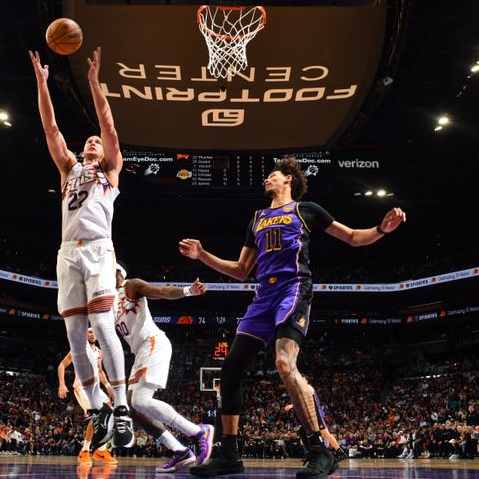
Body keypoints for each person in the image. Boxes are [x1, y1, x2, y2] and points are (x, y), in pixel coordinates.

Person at [179, 156, 406, 478]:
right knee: (230, 370)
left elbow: (354, 237)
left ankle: (320, 450)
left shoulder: (306, 210)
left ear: (288, 180)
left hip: (294, 288)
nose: (266, 180)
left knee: (284, 363)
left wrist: (381, 229)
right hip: (263, 296)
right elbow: (242, 271)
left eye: (272, 175)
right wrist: (203, 255)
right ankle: (228, 454)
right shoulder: (257, 217)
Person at [29, 47, 133, 448]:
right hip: (66, 253)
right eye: (87, 140)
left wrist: (94, 83)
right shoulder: (69, 169)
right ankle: (96, 409)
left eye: (95, 141)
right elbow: (51, 128)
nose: (92, 142)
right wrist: (42, 84)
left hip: (98, 250)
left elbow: (108, 124)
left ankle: (120, 406)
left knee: (103, 326)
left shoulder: (110, 170)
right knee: (75, 335)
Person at [113, 262, 215, 473]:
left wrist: (188, 291)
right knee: (134, 409)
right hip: (139, 352)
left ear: (117, 274)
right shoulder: (109, 303)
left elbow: (161, 291)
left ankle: (198, 431)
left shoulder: (130, 286)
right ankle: (180, 451)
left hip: (153, 342)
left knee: (141, 400)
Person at [57, 327, 117, 465]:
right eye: (90, 331)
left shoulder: (99, 352)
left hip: (96, 388)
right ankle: (84, 451)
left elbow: (100, 371)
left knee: (111, 415)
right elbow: (62, 365)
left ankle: (101, 451)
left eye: (95, 332)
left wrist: (108, 386)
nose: (92, 334)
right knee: (96, 415)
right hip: (82, 388)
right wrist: (62, 384)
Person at [284, 383, 348, 464]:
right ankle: (311, 453)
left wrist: (292, 405)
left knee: (325, 434)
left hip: (316, 415)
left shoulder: (308, 388)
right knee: (304, 432)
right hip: (311, 416)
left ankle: (340, 452)